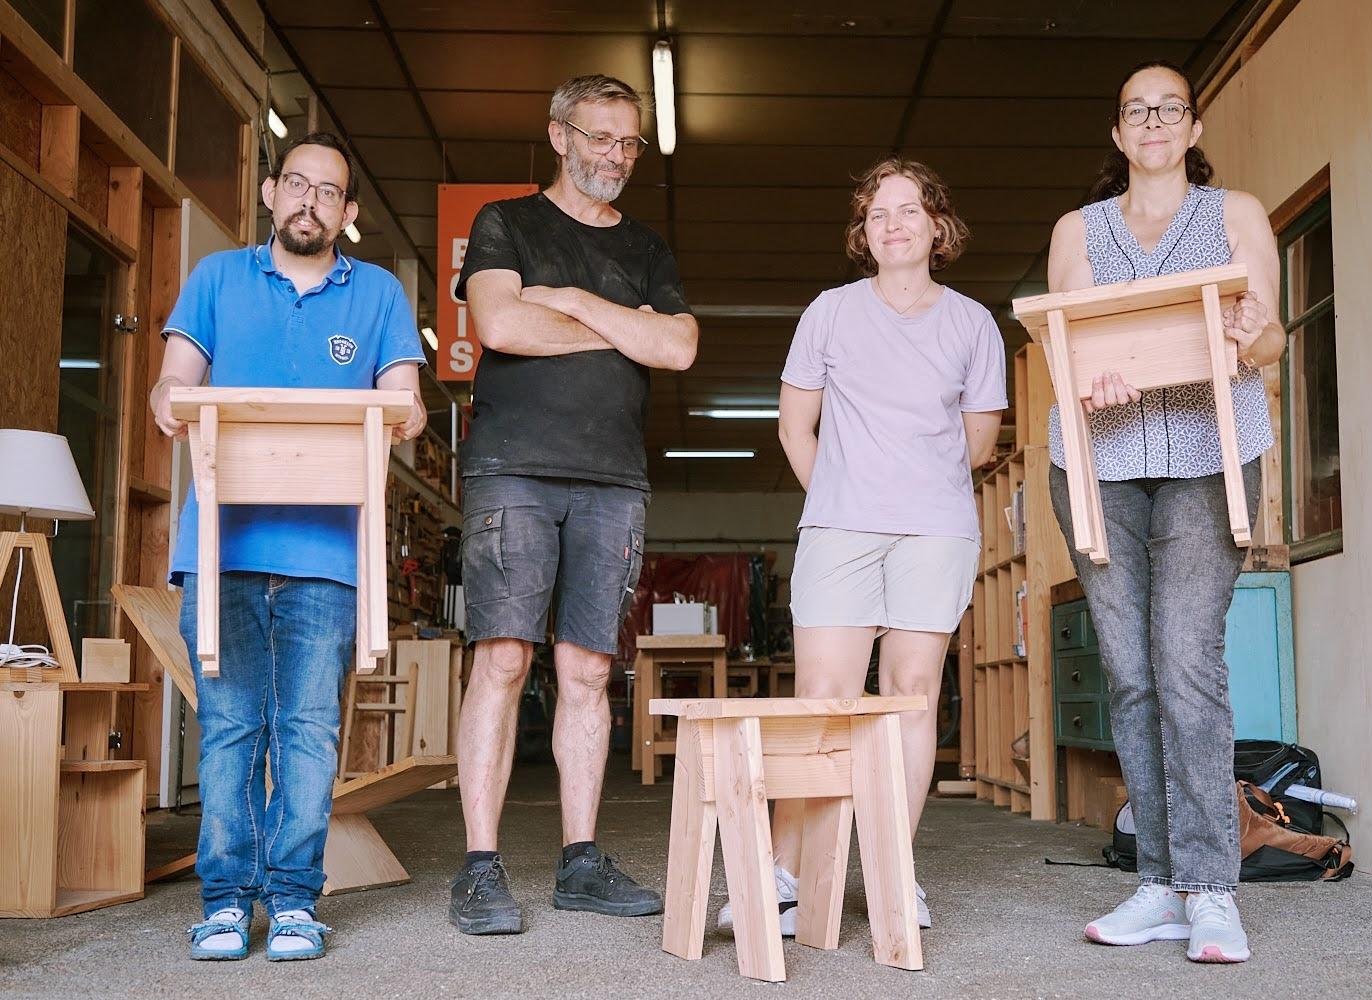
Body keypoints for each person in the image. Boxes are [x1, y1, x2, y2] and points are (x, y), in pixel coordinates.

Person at [150, 131, 427, 961]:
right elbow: (174, 383)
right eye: (296, 184)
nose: (310, 200)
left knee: (308, 730)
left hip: (329, 557)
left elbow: (404, 403)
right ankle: (228, 900)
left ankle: (296, 900)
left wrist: (405, 412)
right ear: (272, 194)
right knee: (232, 729)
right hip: (224, 549)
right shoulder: (217, 280)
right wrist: (170, 398)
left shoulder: (376, 295)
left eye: (328, 191)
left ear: (347, 212)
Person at [720, 157, 1005, 935]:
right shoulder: (831, 312)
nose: (894, 224)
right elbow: (793, 425)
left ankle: (893, 871)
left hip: (935, 529)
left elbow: (978, 443)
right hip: (840, 529)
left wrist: (904, 488)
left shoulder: (972, 324)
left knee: (911, 696)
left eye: (909, 210)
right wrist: (842, 499)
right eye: (879, 214)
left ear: (937, 226)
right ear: (863, 232)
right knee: (823, 700)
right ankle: (786, 874)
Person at [1045, 60, 1283, 964]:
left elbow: (1269, 333)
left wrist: (1238, 337)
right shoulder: (1080, 229)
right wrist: (1089, 380)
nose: (1152, 121)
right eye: (1136, 109)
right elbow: (1066, 339)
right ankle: (1158, 881)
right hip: (1099, 461)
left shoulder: (1236, 216)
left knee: (1185, 661)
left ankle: (1212, 889)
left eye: (1169, 108)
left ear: (1191, 128)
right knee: (1131, 673)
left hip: (1205, 457)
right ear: (1118, 132)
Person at [447, 74, 697, 935]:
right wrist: (628, 329)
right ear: (559, 135)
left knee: (590, 671)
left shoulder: (648, 249)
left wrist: (581, 303)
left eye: (629, 143)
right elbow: (502, 327)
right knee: (505, 659)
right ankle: (480, 869)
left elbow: (679, 346)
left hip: (613, 480)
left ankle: (579, 862)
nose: (616, 157)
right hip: (512, 468)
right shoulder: (505, 224)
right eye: (600, 138)